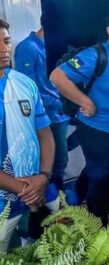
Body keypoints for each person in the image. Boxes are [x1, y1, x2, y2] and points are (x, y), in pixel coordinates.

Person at [51, 11, 109, 225]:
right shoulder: (95, 55)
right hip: (100, 130)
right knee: (102, 182)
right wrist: (85, 101)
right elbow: (57, 76)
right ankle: (96, 236)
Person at [0, 18, 59, 251]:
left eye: (6, 41)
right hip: (9, 197)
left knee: (57, 247)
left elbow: (45, 134)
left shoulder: (24, 84)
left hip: (39, 188)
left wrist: (43, 177)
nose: (4, 49)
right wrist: (25, 190)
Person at [15, 25, 68, 191]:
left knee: (61, 160)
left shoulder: (54, 47)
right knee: (54, 161)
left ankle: (58, 200)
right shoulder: (28, 48)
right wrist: (58, 104)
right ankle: (53, 204)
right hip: (47, 115)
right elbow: (27, 90)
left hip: (62, 113)